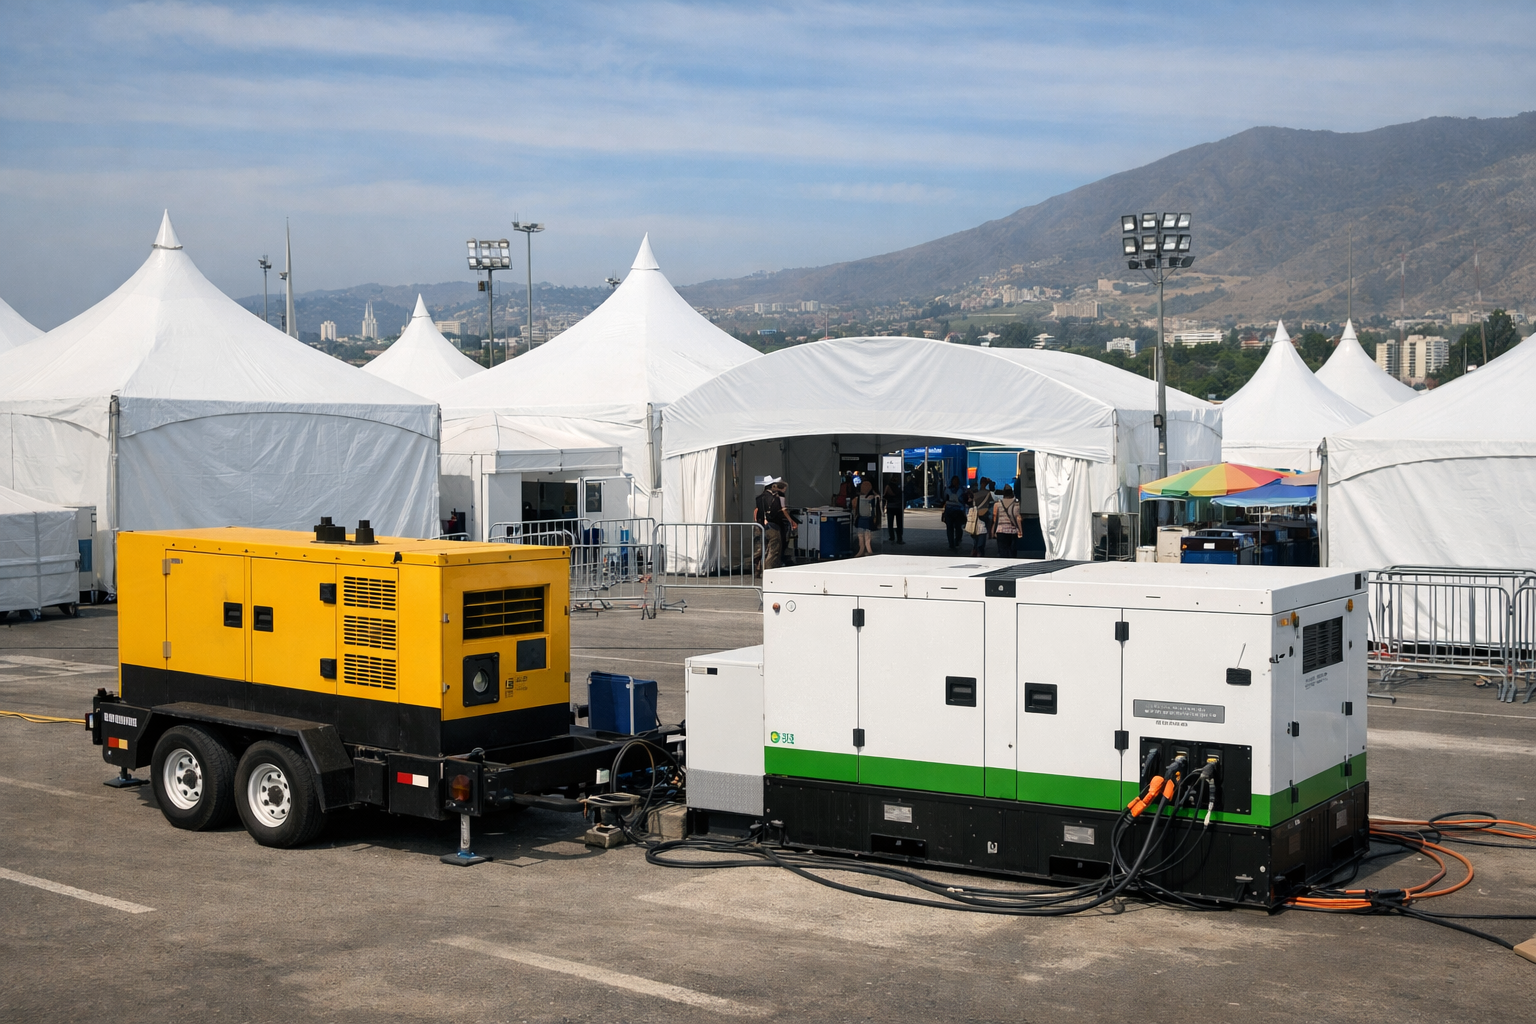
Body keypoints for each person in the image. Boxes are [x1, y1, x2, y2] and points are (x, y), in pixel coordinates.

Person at [754, 477, 783, 570]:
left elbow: (757, 511)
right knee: (774, 550)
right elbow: (776, 512)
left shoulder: (759, 498)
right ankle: (768, 570)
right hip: (772, 526)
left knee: (761, 549)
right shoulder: (775, 498)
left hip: (760, 525)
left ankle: (758, 569)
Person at [850, 478, 880, 556]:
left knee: (861, 535)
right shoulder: (873, 497)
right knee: (866, 535)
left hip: (862, 518)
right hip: (867, 518)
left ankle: (863, 550)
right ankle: (867, 550)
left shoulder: (858, 498)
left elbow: (854, 506)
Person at [773, 479, 799, 564]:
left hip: (773, 520)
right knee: (783, 540)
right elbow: (783, 509)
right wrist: (790, 520)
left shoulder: (772, 494)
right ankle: (781, 559)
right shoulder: (781, 495)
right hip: (781, 520)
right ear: (783, 488)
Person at [969, 479, 995, 557]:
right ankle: (980, 549)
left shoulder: (975, 493)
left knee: (975, 531)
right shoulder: (988, 493)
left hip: (975, 515)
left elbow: (970, 503)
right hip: (984, 514)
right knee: (983, 532)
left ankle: (975, 547)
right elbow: (992, 502)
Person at [993, 484, 1021, 558]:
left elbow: (995, 518)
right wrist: (1020, 531)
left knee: (1002, 551)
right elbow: (1018, 518)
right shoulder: (1016, 504)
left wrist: (993, 530)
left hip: (1000, 530)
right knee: (1012, 551)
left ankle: (1003, 563)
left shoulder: (997, 504)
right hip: (1012, 530)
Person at [942, 475, 966, 551]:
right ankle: (951, 544)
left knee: (958, 527)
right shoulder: (948, 490)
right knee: (950, 528)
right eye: (954, 480)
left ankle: (957, 540)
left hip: (958, 511)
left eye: (956, 480)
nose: (955, 482)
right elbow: (944, 499)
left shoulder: (961, 490)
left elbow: (964, 500)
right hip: (949, 510)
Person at [882, 478, 905, 545]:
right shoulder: (900, 487)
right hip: (898, 506)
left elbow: (884, 496)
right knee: (899, 523)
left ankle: (892, 536)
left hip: (890, 506)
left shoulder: (888, 486)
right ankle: (899, 538)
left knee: (890, 523)